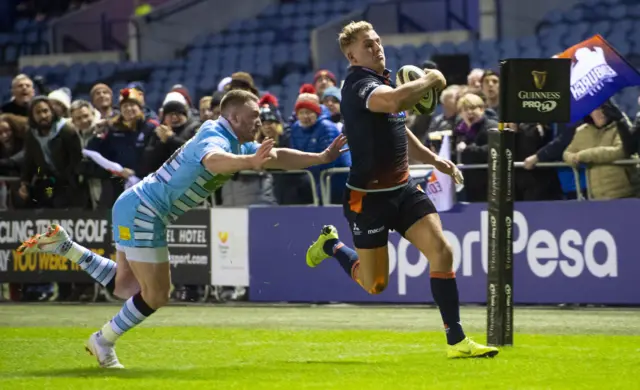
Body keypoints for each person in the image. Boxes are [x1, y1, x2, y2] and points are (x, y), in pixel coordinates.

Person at [17, 90, 347, 369]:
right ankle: (102, 341)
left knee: (125, 285)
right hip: (145, 211)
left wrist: (320, 157)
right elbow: (213, 161)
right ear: (233, 118)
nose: (259, 122)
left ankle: (66, 247)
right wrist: (249, 162)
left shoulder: (235, 139)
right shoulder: (215, 137)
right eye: (253, 118)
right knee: (157, 294)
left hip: (135, 204)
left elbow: (276, 157)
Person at [305, 21, 498, 358]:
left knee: (442, 251)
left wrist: (434, 159)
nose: (376, 46)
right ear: (351, 56)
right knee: (375, 284)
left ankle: (457, 341)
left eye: (377, 40)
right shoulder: (357, 85)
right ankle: (332, 245)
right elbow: (394, 104)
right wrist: (433, 79)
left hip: (404, 189)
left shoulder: (384, 80)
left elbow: (398, 129)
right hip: (367, 199)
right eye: (368, 44)